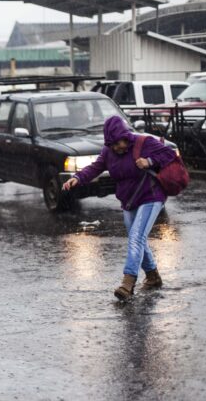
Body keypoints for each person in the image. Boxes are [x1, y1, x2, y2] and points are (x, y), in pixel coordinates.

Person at [63, 115, 176, 300]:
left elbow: (169, 154)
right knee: (137, 239)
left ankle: (128, 282)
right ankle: (153, 276)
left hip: (151, 195)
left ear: (125, 135)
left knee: (136, 237)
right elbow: (96, 167)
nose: (116, 147)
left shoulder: (143, 142)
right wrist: (78, 177)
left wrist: (149, 162)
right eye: (112, 145)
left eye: (118, 143)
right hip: (129, 200)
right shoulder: (109, 151)